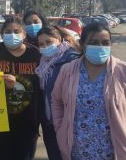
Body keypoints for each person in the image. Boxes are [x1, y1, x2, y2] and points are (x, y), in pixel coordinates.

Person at [51, 23, 126, 160]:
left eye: (105, 42)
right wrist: (60, 130)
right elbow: (56, 101)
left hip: (116, 153)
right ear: (83, 44)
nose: (100, 47)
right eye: (94, 42)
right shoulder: (67, 71)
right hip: (77, 152)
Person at [0, 16, 42, 160]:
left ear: (24, 34)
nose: (12, 35)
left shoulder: (36, 54)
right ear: (2, 33)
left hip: (28, 120)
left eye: (17, 31)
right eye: (8, 31)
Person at [34, 26, 81, 160]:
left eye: (49, 42)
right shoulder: (43, 62)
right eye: (41, 44)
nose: (45, 47)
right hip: (49, 123)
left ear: (59, 39)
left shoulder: (72, 60)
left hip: (68, 123)